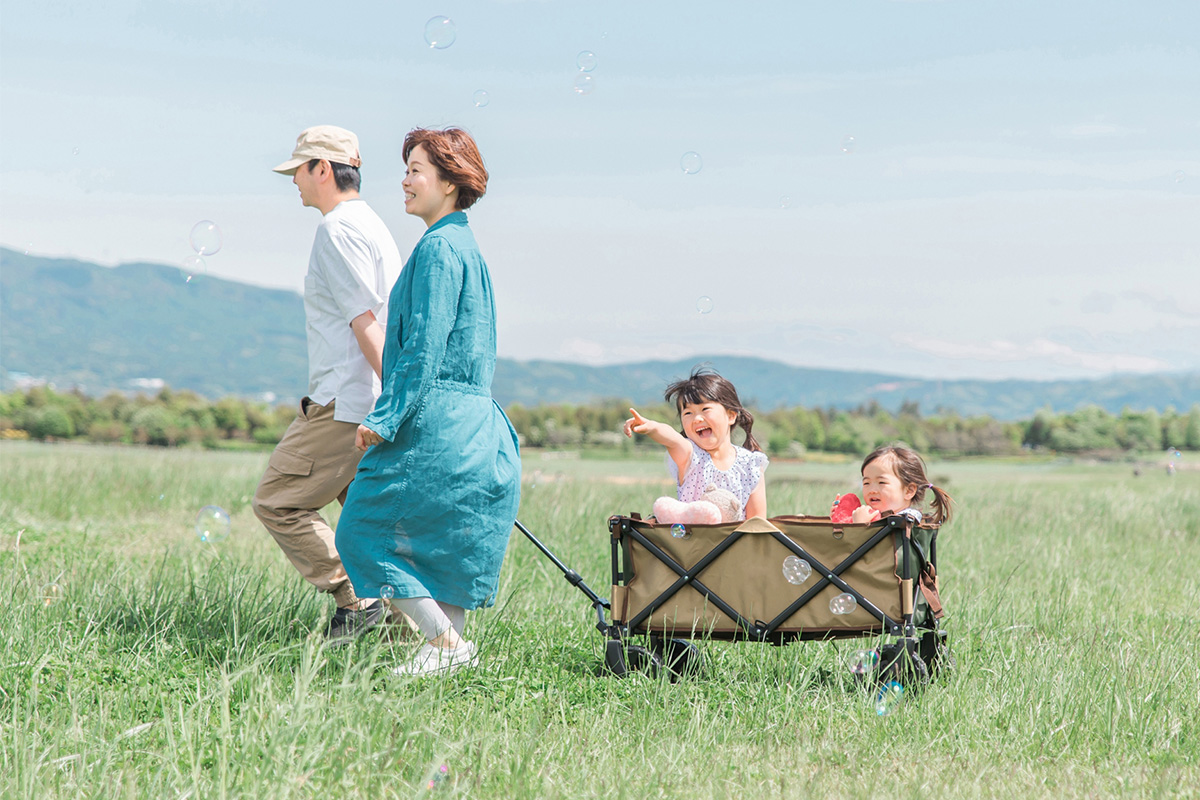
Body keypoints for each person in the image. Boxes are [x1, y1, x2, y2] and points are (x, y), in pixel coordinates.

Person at [334, 127, 521, 676]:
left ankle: (446, 644)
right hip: (474, 419)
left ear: (449, 181)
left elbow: (423, 346)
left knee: (360, 530)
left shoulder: (439, 248)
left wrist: (385, 416)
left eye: (416, 169)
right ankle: (445, 653)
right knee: (443, 543)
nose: (405, 180)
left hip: (434, 418)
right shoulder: (465, 245)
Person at [253, 125, 403, 645]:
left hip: (343, 403)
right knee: (369, 526)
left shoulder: (337, 230)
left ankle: (356, 600)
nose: (293, 180)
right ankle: (414, 634)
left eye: (298, 169)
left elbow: (366, 323)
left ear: (322, 169)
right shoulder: (374, 225)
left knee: (277, 501)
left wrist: (398, 400)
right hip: (364, 401)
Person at [623, 367, 768, 520]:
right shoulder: (690, 456)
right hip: (691, 536)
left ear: (731, 416)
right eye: (688, 413)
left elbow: (757, 523)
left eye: (705, 409)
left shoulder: (750, 465)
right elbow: (671, 438)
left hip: (736, 536)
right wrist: (652, 427)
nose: (697, 418)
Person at [835, 444, 954, 525]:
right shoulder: (881, 518)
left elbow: (878, 551)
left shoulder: (905, 521)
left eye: (882, 482)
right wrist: (842, 518)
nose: (872, 490)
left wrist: (860, 526)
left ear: (909, 491)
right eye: (866, 483)